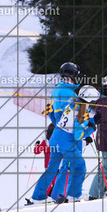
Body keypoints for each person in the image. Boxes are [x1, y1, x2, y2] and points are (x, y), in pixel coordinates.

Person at [28, 62, 81, 204]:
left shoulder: (57, 90)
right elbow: (71, 116)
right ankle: (62, 195)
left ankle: (39, 196)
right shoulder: (68, 93)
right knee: (71, 165)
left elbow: (54, 114)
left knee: (53, 166)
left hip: (57, 132)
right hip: (67, 134)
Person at [49, 85, 100, 203]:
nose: (93, 104)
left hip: (57, 138)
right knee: (79, 167)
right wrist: (91, 129)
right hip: (66, 141)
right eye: (93, 101)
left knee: (66, 167)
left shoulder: (73, 104)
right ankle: (73, 196)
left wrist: (93, 121)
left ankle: (57, 195)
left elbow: (74, 123)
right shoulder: (81, 111)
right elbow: (78, 135)